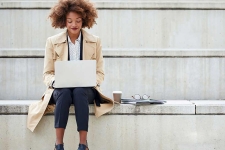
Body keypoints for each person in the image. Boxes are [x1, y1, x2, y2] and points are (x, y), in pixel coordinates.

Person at [26, 0, 114, 150]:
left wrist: (91, 80)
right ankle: (58, 145)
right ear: (63, 21)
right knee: (65, 93)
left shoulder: (95, 41)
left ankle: (83, 144)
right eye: (70, 21)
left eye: (78, 21)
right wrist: (56, 81)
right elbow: (47, 73)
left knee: (79, 92)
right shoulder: (52, 42)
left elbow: (100, 72)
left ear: (84, 20)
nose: (74, 24)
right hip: (60, 89)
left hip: (86, 89)